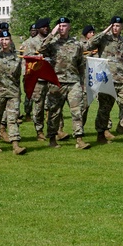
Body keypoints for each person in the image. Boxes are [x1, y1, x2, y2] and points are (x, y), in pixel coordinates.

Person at [84, 16, 123, 144]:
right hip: (106, 78)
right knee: (105, 108)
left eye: (118, 26)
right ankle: (101, 134)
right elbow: (88, 44)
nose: (115, 28)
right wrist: (105, 31)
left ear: (121, 27)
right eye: (113, 25)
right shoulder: (104, 38)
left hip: (121, 78)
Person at [39, 17, 90, 149]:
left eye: (64, 26)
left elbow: (81, 64)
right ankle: (52, 138)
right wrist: (52, 34)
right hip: (57, 82)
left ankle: (79, 139)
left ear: (69, 27)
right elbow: (41, 49)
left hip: (73, 82)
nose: (61, 28)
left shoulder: (76, 44)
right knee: (54, 111)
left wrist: (83, 82)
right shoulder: (52, 43)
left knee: (77, 110)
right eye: (59, 26)